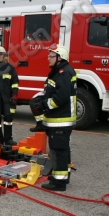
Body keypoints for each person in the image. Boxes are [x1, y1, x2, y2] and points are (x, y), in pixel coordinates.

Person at [38, 44, 77, 191]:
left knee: (58, 150)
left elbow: (60, 98)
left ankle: (59, 183)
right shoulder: (60, 71)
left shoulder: (62, 72)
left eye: (51, 56)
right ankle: (61, 176)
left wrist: (44, 105)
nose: (48, 58)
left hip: (60, 121)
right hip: (59, 120)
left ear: (60, 57)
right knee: (62, 150)